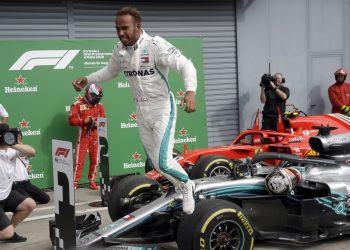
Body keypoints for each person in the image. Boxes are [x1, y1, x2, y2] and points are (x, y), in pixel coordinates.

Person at [72, 6, 197, 214]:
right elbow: (109, 71)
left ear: (138, 26)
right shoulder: (119, 50)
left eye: (125, 28)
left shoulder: (155, 44)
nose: (121, 33)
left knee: (165, 162)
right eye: (117, 29)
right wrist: (88, 79)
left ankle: (187, 185)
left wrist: (190, 91)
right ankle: (178, 186)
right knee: (156, 164)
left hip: (162, 108)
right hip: (141, 110)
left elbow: (185, 65)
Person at [0, 123, 36, 243]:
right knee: (7, 232)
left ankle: (9, 232)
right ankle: (7, 233)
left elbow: (32, 152)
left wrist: (13, 144)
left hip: (6, 195)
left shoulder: (12, 150)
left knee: (30, 204)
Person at [69, 83, 105, 190]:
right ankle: (75, 181)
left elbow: (103, 119)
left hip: (95, 135)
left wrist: (96, 122)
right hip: (83, 136)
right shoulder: (77, 104)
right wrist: (84, 121)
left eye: (98, 97)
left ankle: (92, 181)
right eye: (95, 97)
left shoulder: (100, 106)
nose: (97, 99)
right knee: (79, 160)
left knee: (95, 159)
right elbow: (71, 121)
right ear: (89, 94)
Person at [12, 131, 50, 204]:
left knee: (45, 199)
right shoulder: (9, 151)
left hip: (26, 183)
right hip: (15, 185)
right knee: (30, 202)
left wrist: (19, 143)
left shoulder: (24, 150)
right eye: (17, 137)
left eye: (20, 138)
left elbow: (32, 152)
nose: (19, 139)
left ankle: (23, 197)